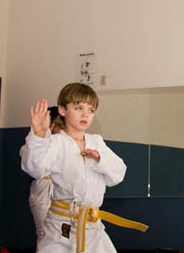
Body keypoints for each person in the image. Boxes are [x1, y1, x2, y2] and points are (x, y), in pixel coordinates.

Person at [21, 83, 147, 253]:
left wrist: (99, 159)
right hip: (61, 226)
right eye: (79, 108)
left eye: (91, 110)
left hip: (92, 227)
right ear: (63, 110)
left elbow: (118, 174)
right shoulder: (56, 143)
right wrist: (39, 136)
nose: (85, 114)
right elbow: (35, 168)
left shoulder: (96, 142)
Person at [23, 107, 64, 246]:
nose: (59, 129)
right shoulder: (34, 145)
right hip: (44, 190)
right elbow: (29, 159)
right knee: (45, 234)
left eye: (62, 126)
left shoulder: (67, 143)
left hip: (63, 193)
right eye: (57, 125)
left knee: (65, 237)